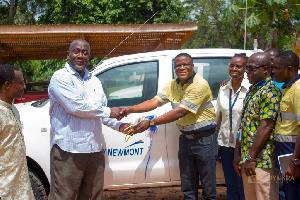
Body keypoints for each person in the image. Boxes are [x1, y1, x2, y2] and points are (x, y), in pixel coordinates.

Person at [120, 53, 218, 200]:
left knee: (208, 188)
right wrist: (130, 109)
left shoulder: (200, 85)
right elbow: (154, 102)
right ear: (174, 68)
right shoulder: (173, 84)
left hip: (205, 141)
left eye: (186, 64)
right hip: (186, 140)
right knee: (188, 187)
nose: (182, 67)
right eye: (178, 65)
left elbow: (180, 112)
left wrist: (151, 122)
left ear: (192, 66)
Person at [48, 39, 130, 200]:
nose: (80, 55)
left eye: (85, 53)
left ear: (89, 57)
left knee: (93, 196)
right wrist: (108, 112)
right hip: (69, 151)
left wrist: (120, 126)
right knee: (64, 196)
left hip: (93, 151)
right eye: (76, 51)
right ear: (68, 55)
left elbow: (100, 113)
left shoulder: (95, 81)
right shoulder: (60, 77)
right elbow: (76, 106)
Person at [233, 52, 281, 200]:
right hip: (249, 163)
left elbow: (266, 126)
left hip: (262, 163)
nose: (247, 72)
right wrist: (238, 153)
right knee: (252, 196)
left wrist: (251, 158)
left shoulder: (270, 91)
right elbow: (244, 125)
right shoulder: (253, 90)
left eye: (252, 68)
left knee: (264, 196)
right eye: (247, 68)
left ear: (265, 69)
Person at [216, 54, 249, 200]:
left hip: (243, 144)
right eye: (232, 65)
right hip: (225, 143)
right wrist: (215, 141)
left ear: (246, 69)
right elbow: (220, 116)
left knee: (244, 183)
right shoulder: (223, 88)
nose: (234, 68)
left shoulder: (250, 88)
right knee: (230, 182)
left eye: (238, 66)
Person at [0, 64, 34, 199]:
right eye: (20, 83)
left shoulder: (13, 109)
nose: (24, 87)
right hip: (4, 189)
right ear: (7, 85)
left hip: (19, 186)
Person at [272, 51, 300, 200]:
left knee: (293, 193)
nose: (273, 71)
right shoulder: (287, 88)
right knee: (286, 193)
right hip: (284, 152)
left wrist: (294, 162)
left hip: (292, 152)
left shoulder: (297, 90)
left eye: (276, 68)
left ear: (289, 69)